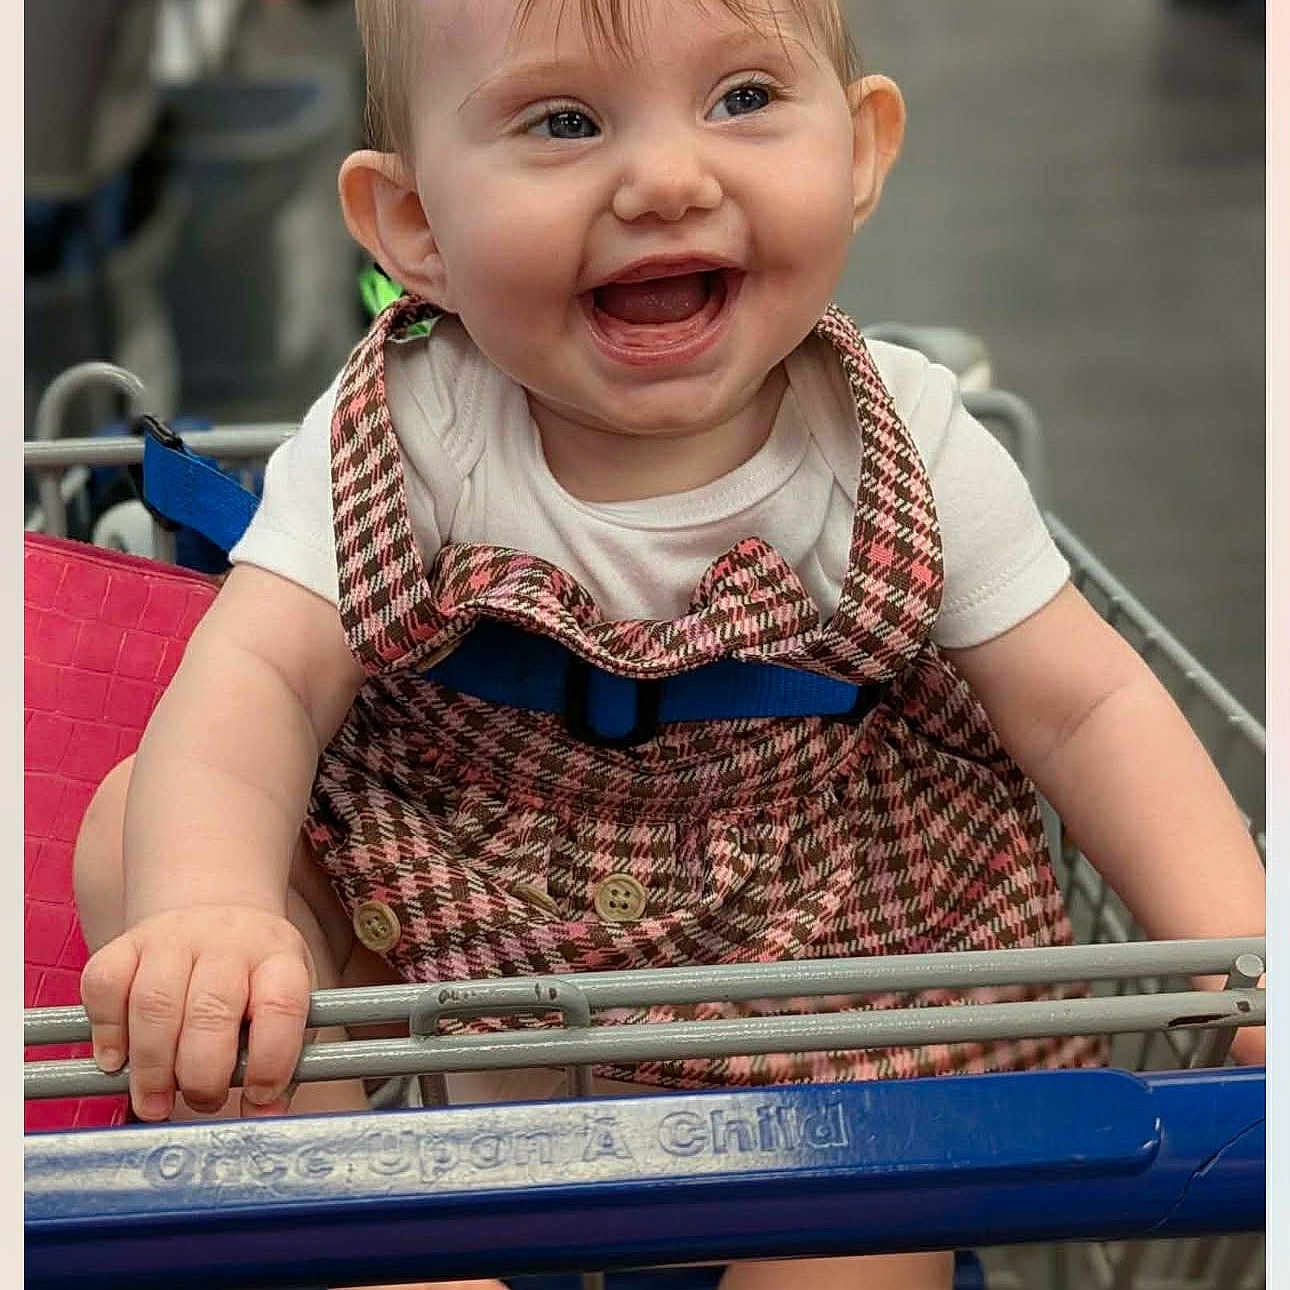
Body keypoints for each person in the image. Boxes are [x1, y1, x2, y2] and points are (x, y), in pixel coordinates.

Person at [71, 2, 1266, 1287]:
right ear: (415, 227)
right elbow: (257, 674)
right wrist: (214, 908)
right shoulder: (402, 430)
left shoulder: (899, 443)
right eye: (566, 122)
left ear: (860, 150)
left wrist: (1247, 957)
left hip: (811, 983)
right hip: (433, 936)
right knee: (142, 833)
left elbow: (1085, 710)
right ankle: (388, 1237)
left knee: (882, 1217)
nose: (667, 180)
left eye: (744, 99)